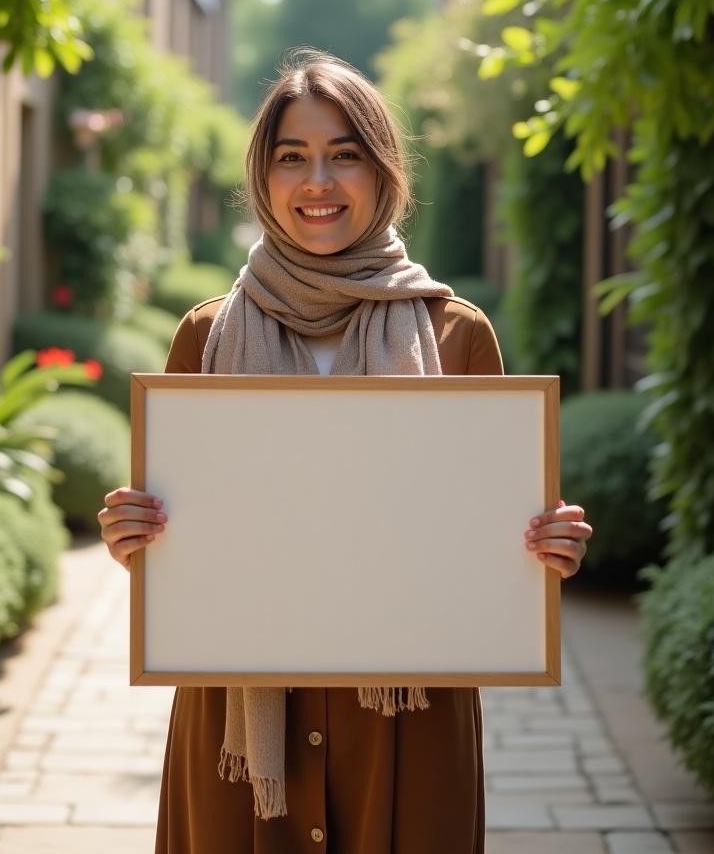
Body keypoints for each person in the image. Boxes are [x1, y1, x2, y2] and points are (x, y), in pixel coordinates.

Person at [97, 47, 593, 854]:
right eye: (292, 158)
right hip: (241, 726)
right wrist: (137, 538)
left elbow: (500, 532)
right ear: (263, 180)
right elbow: (182, 535)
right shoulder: (205, 334)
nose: (317, 182)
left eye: (344, 156)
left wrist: (545, 546)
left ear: (384, 173)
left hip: (408, 725)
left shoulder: (454, 335)